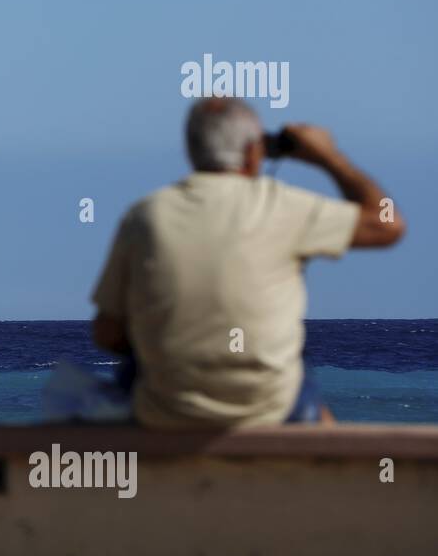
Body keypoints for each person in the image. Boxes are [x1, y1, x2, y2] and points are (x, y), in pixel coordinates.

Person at [91, 97, 405, 428]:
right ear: (254, 152)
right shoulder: (281, 206)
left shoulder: (145, 216)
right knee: (297, 368)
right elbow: (388, 224)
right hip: (269, 406)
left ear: (191, 149)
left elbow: (107, 332)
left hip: (167, 408)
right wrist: (328, 157)